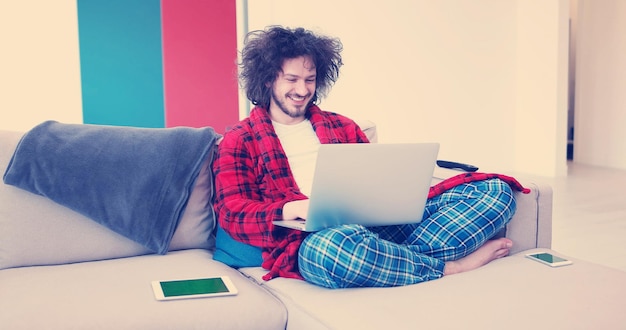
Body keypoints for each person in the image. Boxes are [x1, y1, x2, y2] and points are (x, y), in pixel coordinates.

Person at [212, 26, 521, 289]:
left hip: (375, 228)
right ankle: (449, 268)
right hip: (314, 241)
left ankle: (387, 261)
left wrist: (397, 193)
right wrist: (292, 207)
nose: (302, 89)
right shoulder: (240, 139)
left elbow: (375, 183)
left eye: (309, 79)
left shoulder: (343, 126)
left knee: (496, 192)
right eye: (291, 79)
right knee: (335, 250)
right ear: (267, 80)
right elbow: (232, 214)